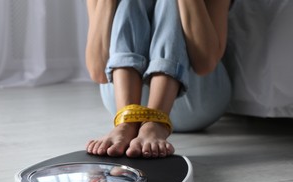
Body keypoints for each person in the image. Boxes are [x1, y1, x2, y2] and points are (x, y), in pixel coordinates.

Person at [85, 0, 232, 158]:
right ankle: (126, 123)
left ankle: (156, 123)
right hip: (122, 101)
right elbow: (98, 73)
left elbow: (205, 64)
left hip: (194, 102)